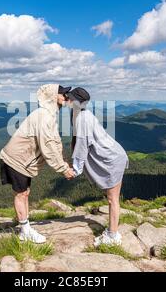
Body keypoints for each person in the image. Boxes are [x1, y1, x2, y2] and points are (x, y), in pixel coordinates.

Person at [0, 84, 75, 244]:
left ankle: (24, 227)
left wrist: (63, 161)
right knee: (21, 194)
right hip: (17, 160)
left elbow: (54, 141)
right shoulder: (44, 117)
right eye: (64, 94)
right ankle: (25, 231)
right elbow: (47, 147)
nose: (67, 97)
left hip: (23, 161)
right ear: (55, 97)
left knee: (25, 193)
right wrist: (63, 169)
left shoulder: (48, 114)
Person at [66, 87, 129, 246]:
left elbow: (82, 145)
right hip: (112, 155)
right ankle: (112, 232)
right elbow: (78, 141)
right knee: (112, 199)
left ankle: (113, 236)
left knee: (112, 199)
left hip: (112, 159)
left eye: (70, 97)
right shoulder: (80, 113)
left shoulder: (82, 118)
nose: (67, 99)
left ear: (77, 102)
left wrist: (76, 169)